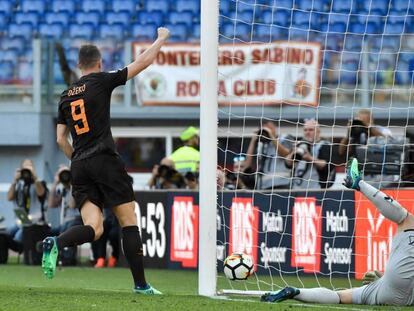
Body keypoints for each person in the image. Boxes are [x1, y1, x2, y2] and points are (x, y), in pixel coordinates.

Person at [41, 27, 170, 295]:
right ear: (99, 63)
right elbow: (143, 62)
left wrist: (77, 159)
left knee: (94, 228)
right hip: (104, 160)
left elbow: (60, 140)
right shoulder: (101, 80)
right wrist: (161, 38)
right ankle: (141, 285)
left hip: (79, 165)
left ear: (78, 65)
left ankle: (55, 241)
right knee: (128, 219)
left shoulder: (65, 96)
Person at [261, 158, 414, 306]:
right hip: (405, 294)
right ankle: (358, 183)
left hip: (390, 293)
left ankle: (297, 291)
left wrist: (384, 277)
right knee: (406, 221)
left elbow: (398, 279)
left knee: (340, 296)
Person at [285, 119, 336, 190]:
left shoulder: (325, 145)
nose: (307, 132)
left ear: (318, 132)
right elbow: (287, 164)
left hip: (316, 190)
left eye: (311, 130)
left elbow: (328, 166)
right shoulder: (299, 145)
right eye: (305, 130)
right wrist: (293, 152)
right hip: (296, 189)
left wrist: (310, 158)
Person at [6, 159, 47, 246]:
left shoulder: (39, 183)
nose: (27, 170)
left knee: (18, 237)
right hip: (20, 221)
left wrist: (35, 177)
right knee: (5, 234)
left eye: (30, 166)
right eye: (25, 167)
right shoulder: (19, 184)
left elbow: (41, 193)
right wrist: (14, 181)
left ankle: (23, 252)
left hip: (35, 223)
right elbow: (9, 197)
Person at [244, 121, 292, 190]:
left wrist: (271, 136)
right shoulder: (261, 144)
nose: (266, 129)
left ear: (274, 127)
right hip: (263, 186)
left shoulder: (284, 137)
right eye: (263, 128)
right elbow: (247, 165)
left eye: (268, 127)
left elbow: (286, 155)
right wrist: (253, 141)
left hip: (282, 184)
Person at [48, 165, 82, 235]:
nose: (65, 176)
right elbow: (51, 204)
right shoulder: (62, 190)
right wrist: (55, 183)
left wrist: (72, 182)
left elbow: (72, 205)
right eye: (62, 174)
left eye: (67, 173)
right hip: (64, 223)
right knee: (46, 232)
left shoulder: (77, 188)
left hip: (76, 221)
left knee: (68, 230)